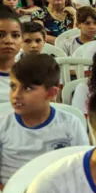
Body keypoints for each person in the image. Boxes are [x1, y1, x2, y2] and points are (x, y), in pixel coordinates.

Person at [0, 54, 89, 184]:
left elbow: (82, 168)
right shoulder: (3, 124)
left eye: (28, 88)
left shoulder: (71, 124)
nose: (16, 95)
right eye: (13, 86)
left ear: (51, 93)